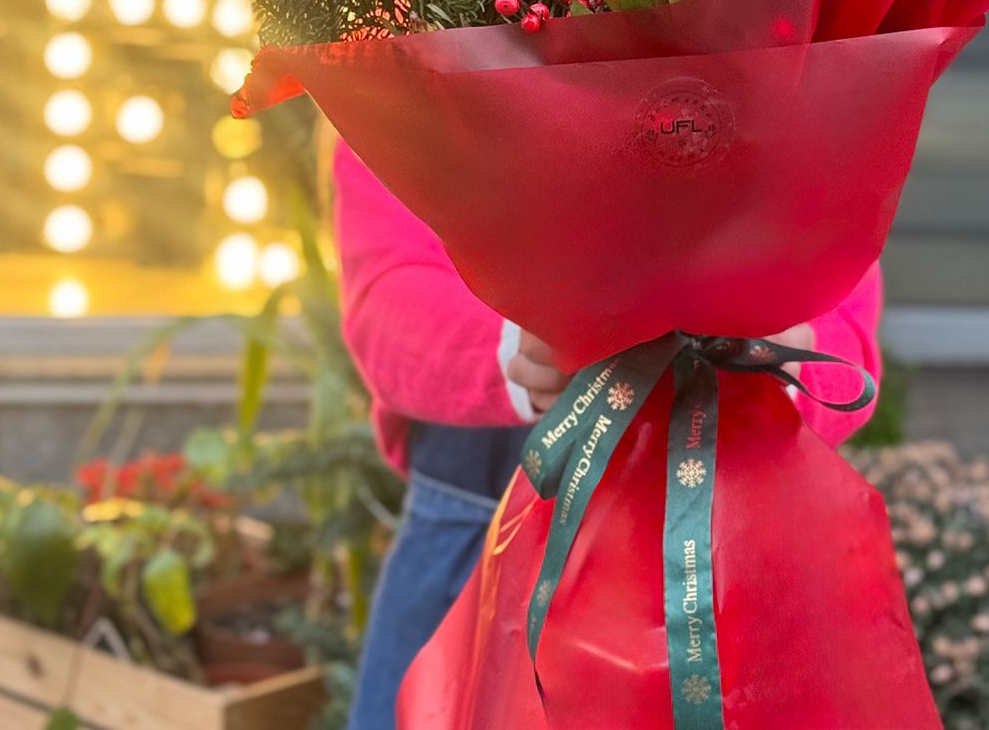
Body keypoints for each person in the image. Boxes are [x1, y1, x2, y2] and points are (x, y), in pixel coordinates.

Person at [332, 138, 885, 729]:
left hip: (711, 560)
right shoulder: (396, 91)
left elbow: (846, 323)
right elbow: (387, 298)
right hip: (474, 541)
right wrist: (517, 351)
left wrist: (790, 356)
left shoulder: (792, 106)